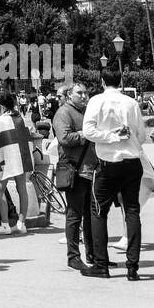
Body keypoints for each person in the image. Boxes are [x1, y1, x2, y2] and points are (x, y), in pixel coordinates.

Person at [80, 70, 147, 281]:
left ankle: (101, 264)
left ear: (101, 81)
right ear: (120, 81)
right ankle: (132, 267)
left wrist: (109, 137)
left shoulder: (96, 101)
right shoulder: (131, 103)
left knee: (98, 211)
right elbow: (142, 135)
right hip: (131, 162)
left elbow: (89, 131)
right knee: (132, 211)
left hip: (108, 163)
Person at [53, 80, 96, 271]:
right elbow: (64, 138)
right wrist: (85, 134)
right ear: (70, 95)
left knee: (91, 214)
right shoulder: (63, 113)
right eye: (80, 93)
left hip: (90, 169)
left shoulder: (85, 111)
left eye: (85, 93)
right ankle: (73, 256)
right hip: (74, 170)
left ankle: (93, 255)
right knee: (74, 215)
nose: (84, 96)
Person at [0, 93, 35, 234]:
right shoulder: (19, 118)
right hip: (20, 157)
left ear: (1, 105)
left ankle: (5, 225)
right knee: (21, 188)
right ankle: (21, 223)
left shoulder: (0, 120)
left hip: (6, 159)